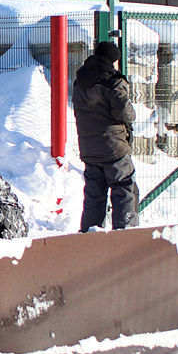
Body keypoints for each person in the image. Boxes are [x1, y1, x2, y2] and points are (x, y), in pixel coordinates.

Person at [72, 39, 139, 230]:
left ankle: (89, 235)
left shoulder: (80, 82)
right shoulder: (113, 83)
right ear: (113, 60)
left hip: (89, 148)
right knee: (124, 190)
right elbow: (126, 114)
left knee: (94, 196)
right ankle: (126, 234)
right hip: (113, 148)